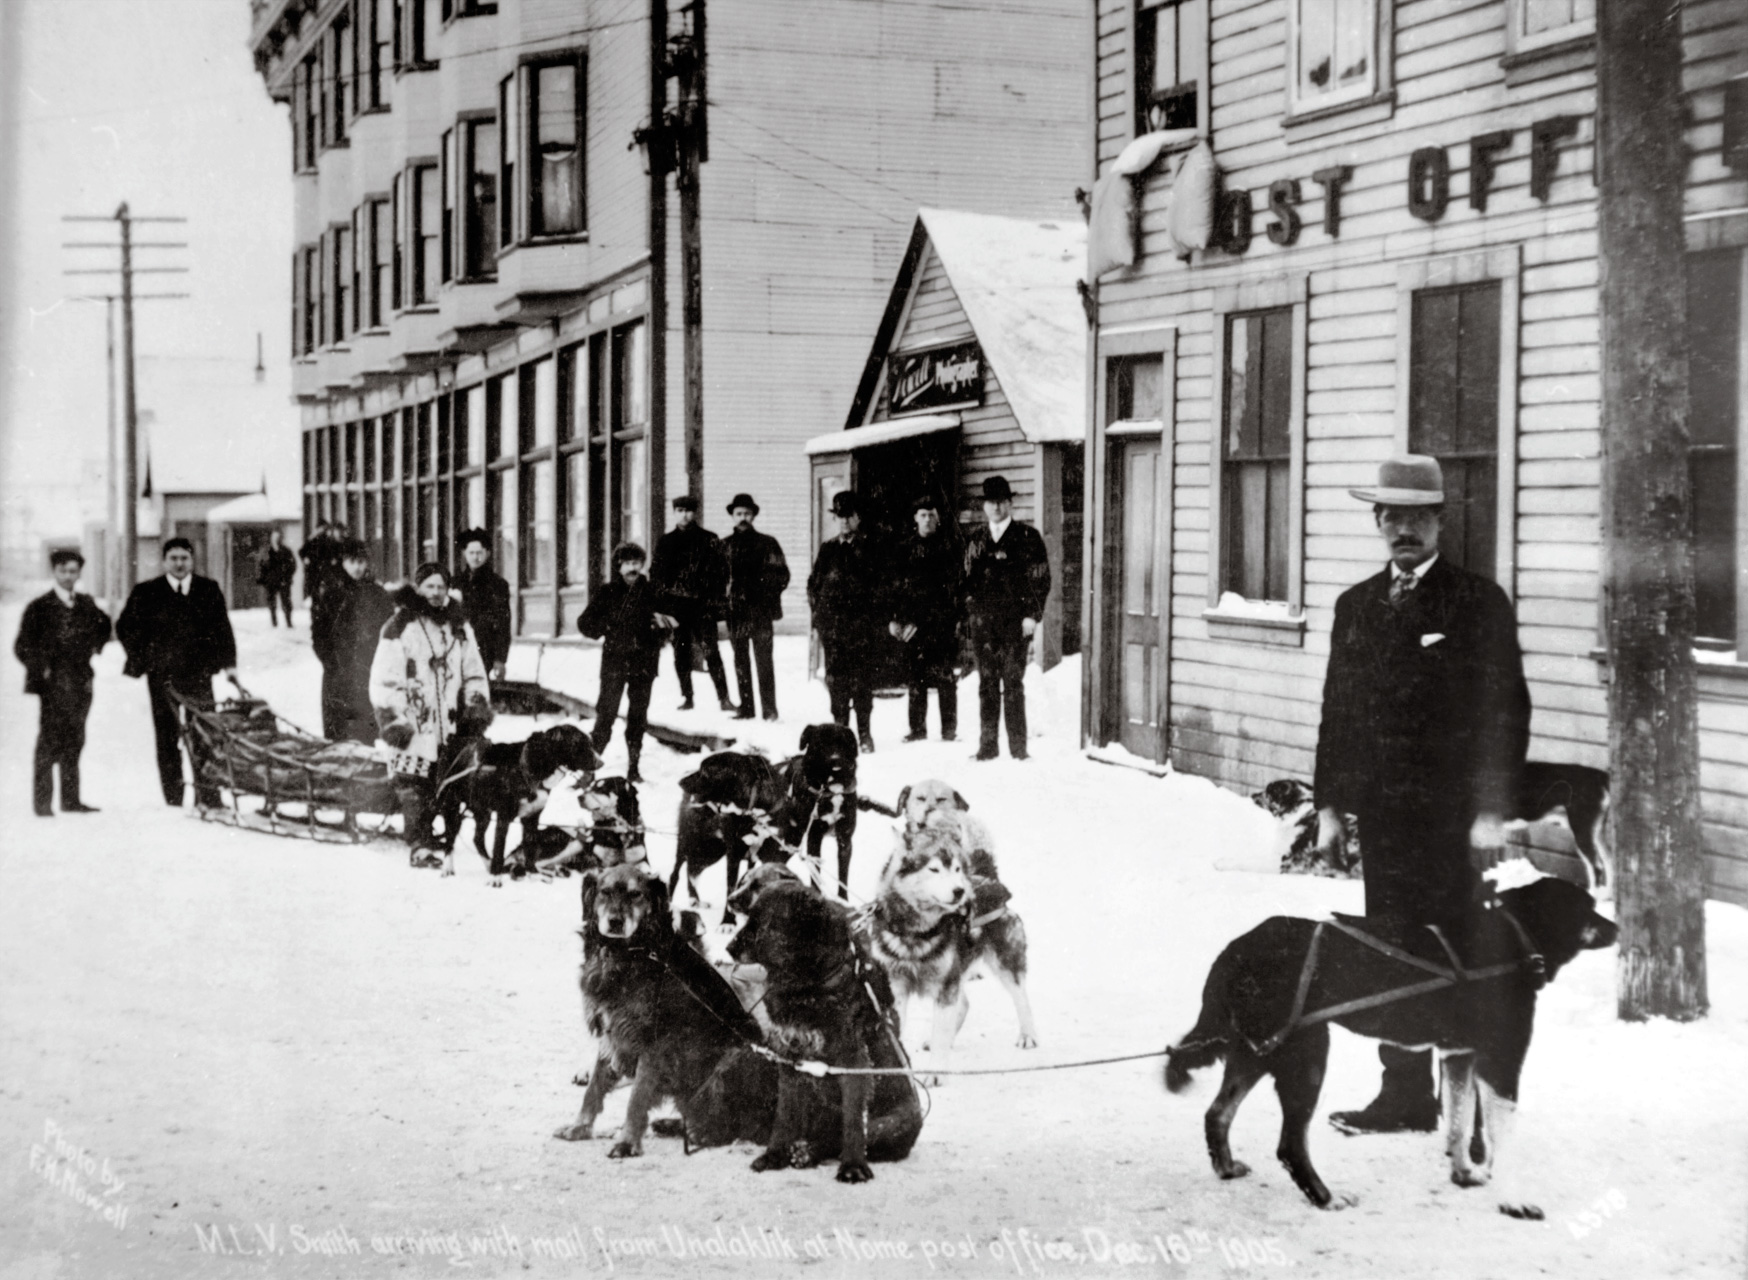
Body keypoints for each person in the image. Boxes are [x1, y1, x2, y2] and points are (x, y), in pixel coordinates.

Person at [1313, 454, 1530, 1135]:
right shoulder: (1356, 606)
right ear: (1377, 522)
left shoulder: (1478, 602)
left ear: (1439, 522)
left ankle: (1472, 1103)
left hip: (1455, 822)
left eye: (1417, 518)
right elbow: (1338, 713)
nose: (1404, 530)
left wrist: (1491, 811)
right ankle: (1404, 1094)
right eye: (1392, 518)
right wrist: (1329, 807)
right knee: (1391, 951)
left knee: (1458, 954)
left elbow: (1505, 714)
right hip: (1386, 819)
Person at [370, 562, 492, 862]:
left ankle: (440, 833)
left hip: (449, 721)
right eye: (429, 586)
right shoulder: (399, 627)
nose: (436, 593)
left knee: (447, 778)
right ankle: (419, 843)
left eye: (441, 587)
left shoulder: (459, 627)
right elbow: (385, 679)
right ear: (418, 588)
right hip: (414, 720)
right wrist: (396, 721)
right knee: (413, 782)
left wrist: (475, 708)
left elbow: (474, 672)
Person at [116, 536, 238, 808]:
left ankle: (208, 796)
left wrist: (229, 664)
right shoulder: (146, 592)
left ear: (192, 560)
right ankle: (174, 797)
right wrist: (144, 659)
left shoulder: (208, 589)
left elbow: (223, 629)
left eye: (184, 558)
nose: (179, 564)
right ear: (164, 562)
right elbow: (125, 627)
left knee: (204, 735)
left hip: (198, 676)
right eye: (173, 558)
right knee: (167, 737)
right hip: (163, 678)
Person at [13, 549, 112, 815]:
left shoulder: (85, 604)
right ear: (54, 572)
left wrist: (95, 646)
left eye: (73, 571)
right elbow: (22, 645)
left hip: (81, 680)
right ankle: (42, 804)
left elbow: (104, 625)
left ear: (79, 573)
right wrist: (41, 668)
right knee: (49, 740)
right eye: (63, 571)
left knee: (75, 738)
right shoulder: (39, 607)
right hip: (53, 683)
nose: (68, 576)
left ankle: (71, 800)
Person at [961, 475, 1050, 761]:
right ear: (984, 506)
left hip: (1015, 624)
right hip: (984, 626)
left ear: (1010, 503)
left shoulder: (1027, 537)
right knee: (987, 684)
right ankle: (988, 746)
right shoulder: (976, 540)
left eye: (1001, 501)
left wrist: (1032, 615)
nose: (996, 507)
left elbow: (1039, 578)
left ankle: (1018, 749)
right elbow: (965, 581)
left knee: (1012, 682)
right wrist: (970, 614)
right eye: (991, 502)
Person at [577, 543, 679, 783]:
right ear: (619, 566)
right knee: (606, 714)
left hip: (644, 663)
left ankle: (634, 768)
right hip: (614, 663)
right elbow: (584, 623)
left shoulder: (653, 591)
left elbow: (671, 624)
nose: (632, 568)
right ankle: (589, 769)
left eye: (636, 563)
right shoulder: (608, 592)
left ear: (642, 565)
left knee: (638, 717)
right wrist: (606, 626)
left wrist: (659, 631)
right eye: (627, 564)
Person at [807, 490, 885, 752]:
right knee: (837, 682)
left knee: (862, 682)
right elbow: (814, 585)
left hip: (861, 629)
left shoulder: (871, 549)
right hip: (834, 630)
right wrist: (820, 618)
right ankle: (840, 734)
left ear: (858, 518)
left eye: (849, 516)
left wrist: (872, 620)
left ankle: (864, 734)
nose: (844, 521)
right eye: (839, 516)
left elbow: (881, 588)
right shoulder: (828, 549)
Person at [650, 494, 733, 712]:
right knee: (681, 654)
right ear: (674, 513)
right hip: (677, 609)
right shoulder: (665, 542)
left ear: (695, 513)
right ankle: (687, 697)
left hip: (703, 607)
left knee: (711, 651)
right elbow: (656, 576)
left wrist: (714, 600)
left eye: (688, 511)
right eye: (680, 511)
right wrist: (663, 608)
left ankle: (724, 698)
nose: (684, 515)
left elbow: (722, 573)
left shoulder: (709, 539)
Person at [890, 494, 962, 742]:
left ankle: (949, 729)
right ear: (915, 518)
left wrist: (953, 619)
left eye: (932, 515)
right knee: (916, 678)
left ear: (938, 518)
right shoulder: (904, 549)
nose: (928, 519)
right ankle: (917, 729)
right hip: (913, 626)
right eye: (923, 515)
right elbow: (896, 588)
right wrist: (897, 618)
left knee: (945, 678)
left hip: (941, 624)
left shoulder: (949, 548)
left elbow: (954, 588)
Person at [721, 493, 789, 721]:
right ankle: (747, 708)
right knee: (740, 659)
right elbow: (715, 579)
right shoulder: (724, 546)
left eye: (747, 514)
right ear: (732, 516)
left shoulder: (767, 543)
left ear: (753, 516)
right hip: (736, 613)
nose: (743, 518)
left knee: (764, 661)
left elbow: (782, 575)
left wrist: (764, 593)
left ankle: (769, 710)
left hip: (761, 612)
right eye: (739, 513)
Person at [326, 538, 394, 744]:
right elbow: (320, 635)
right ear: (343, 562)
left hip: (367, 669)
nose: (357, 567)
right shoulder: (332, 593)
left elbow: (389, 630)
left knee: (365, 730)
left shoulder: (378, 594)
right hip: (338, 673)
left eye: (361, 562)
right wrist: (332, 663)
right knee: (339, 731)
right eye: (352, 562)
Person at [301, 524, 350, 736]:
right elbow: (319, 633)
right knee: (335, 719)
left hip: (357, 666)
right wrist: (328, 659)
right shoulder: (327, 582)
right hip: (334, 664)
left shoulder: (344, 548)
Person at [453, 528, 512, 683]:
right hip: (456, 648)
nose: (475, 557)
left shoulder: (498, 585)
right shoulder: (455, 583)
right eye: (471, 553)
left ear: (488, 553)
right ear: (464, 554)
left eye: (479, 552)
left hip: (484, 649)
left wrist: (500, 659)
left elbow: (503, 624)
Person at [256, 528, 297, 627]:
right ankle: (274, 621)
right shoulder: (268, 552)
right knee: (272, 602)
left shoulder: (286, 551)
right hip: (272, 581)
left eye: (278, 537)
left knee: (286, 601)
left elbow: (292, 565)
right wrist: (263, 578)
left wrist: (287, 576)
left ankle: (288, 621)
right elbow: (262, 566)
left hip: (283, 580)